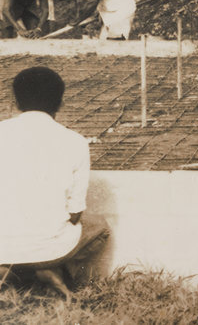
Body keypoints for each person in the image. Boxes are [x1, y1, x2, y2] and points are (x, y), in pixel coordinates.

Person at [0, 66, 110, 298]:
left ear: (16, 101)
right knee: (99, 227)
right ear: (59, 103)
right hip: (50, 248)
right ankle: (44, 268)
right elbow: (75, 213)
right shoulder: (75, 142)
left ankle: (9, 269)